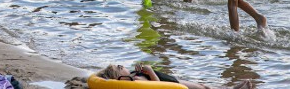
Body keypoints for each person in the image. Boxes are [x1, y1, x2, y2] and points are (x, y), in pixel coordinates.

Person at [96, 64, 253, 89]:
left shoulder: (132, 77)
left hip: (171, 81)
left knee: (203, 87)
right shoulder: (135, 80)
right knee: (204, 88)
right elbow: (157, 87)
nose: (123, 67)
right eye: (120, 68)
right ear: (117, 76)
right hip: (172, 85)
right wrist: (149, 71)